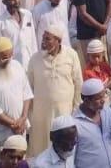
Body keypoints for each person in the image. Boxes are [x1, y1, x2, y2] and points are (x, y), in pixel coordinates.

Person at [27, 26, 82, 155]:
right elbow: (28, 87)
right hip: (41, 115)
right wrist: (28, 114)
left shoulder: (71, 55)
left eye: (48, 39)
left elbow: (78, 83)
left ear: (58, 40)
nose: (44, 42)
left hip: (64, 112)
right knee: (41, 149)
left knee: (64, 147)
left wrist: (76, 108)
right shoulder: (35, 59)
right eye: (43, 38)